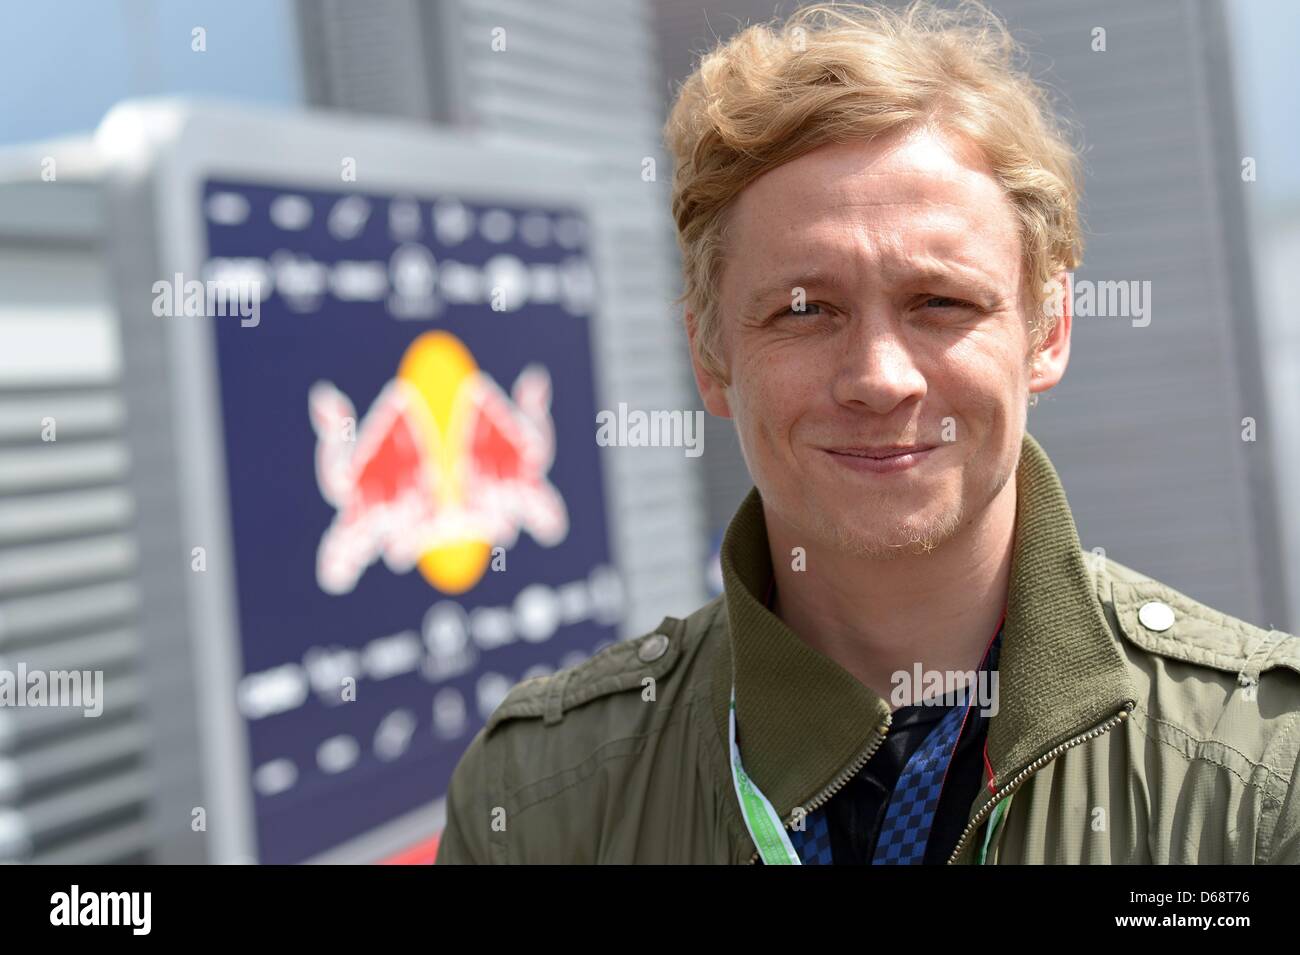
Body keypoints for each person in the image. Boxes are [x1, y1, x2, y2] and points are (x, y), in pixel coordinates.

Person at [435, 0, 1300, 864]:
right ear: (708, 353)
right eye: (805, 310)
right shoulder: (538, 797)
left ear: (1049, 330)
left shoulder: (1260, 770)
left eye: (941, 302)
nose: (881, 378)